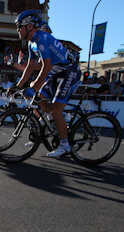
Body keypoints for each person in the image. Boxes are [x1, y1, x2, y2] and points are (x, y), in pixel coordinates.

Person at [7, 9, 81, 158]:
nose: (17, 30)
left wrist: (32, 88)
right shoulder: (31, 42)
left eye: (19, 26)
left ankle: (65, 145)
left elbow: (46, 67)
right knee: (39, 97)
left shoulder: (40, 37)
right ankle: (52, 121)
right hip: (58, 73)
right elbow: (30, 67)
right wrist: (19, 85)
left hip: (69, 72)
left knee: (55, 109)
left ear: (29, 26)